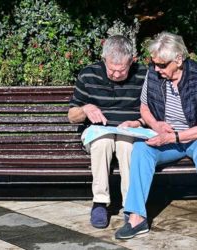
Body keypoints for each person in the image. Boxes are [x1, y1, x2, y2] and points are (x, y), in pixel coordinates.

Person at [115, 32, 197, 239]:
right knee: (140, 149)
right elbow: (144, 108)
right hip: (168, 137)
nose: (157, 69)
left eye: (162, 65)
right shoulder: (153, 74)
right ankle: (137, 217)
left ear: (179, 60)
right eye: (154, 63)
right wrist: (156, 124)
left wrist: (173, 137)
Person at [68, 35, 147, 229]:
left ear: (132, 61)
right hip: (97, 132)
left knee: (127, 145)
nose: (117, 74)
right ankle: (100, 202)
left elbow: (155, 112)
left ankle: (132, 205)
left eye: (122, 70)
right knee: (103, 141)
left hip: (130, 130)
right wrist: (85, 109)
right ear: (104, 60)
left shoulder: (145, 75)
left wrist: (138, 122)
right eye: (112, 69)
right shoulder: (88, 74)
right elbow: (71, 115)